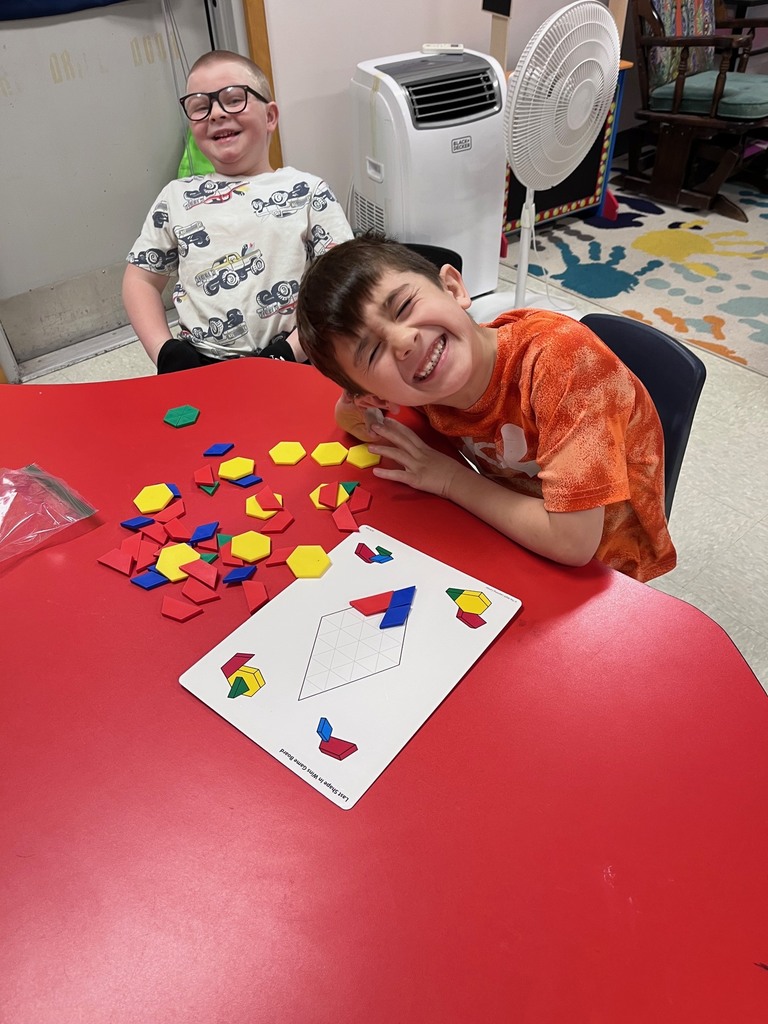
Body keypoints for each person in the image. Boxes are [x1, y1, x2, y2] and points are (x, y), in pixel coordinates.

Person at [295, 235, 677, 582]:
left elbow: (572, 543)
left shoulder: (562, 361)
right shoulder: (426, 382)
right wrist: (360, 398)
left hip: (607, 564)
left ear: (453, 287)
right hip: (518, 534)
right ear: (377, 396)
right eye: (373, 351)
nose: (404, 340)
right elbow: (348, 418)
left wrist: (450, 480)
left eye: (404, 306)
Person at [122, 50, 353, 374]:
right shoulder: (176, 197)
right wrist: (166, 351)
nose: (216, 113)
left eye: (234, 99)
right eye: (200, 107)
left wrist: (292, 349)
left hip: (296, 358)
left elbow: (346, 283)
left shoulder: (307, 191)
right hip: (200, 365)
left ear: (270, 117)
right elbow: (140, 280)